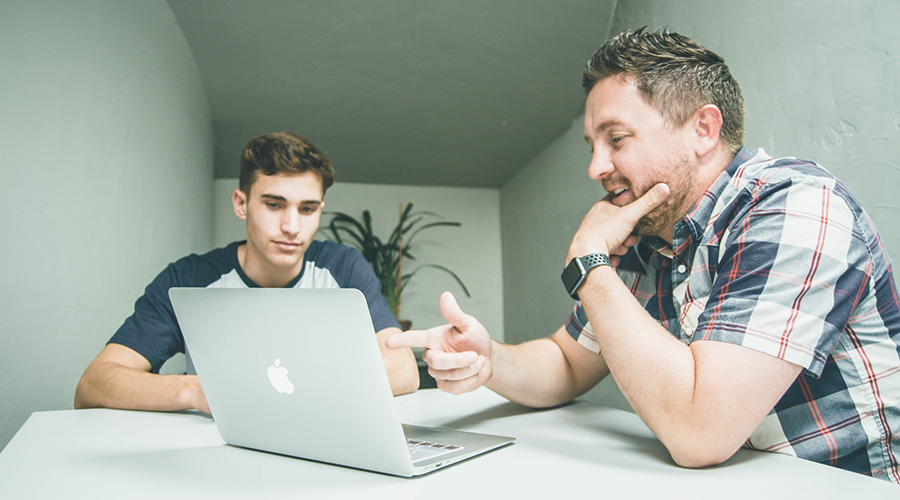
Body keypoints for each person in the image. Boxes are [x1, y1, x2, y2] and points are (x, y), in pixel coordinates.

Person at [387, 27, 900, 483]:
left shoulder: (796, 207)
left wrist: (590, 263)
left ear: (703, 129)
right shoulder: (650, 234)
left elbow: (701, 432)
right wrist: (490, 359)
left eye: (617, 139)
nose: (595, 167)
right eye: (592, 144)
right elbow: (568, 361)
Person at [75, 132, 419, 413]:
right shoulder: (189, 279)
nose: (292, 226)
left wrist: (282, 387)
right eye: (274, 204)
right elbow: (94, 384)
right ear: (241, 204)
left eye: (307, 208)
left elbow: (404, 370)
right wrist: (196, 391)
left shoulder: (343, 268)